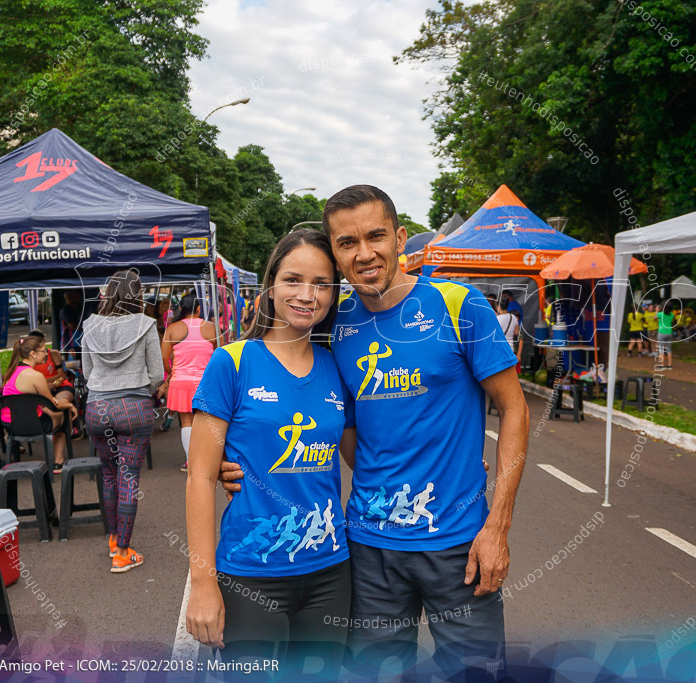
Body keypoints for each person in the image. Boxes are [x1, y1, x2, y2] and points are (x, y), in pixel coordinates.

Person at [221, 185, 528, 680]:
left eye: (376, 236)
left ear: (400, 238)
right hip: (368, 546)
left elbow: (515, 409)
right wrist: (231, 458)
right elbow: (305, 400)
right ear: (335, 254)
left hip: (459, 542)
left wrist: (498, 525)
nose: (364, 253)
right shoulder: (332, 321)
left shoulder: (459, 306)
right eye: (346, 243)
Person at [185, 230, 352, 679]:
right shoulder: (232, 363)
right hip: (250, 572)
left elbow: (368, 455)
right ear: (271, 285)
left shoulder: (339, 367)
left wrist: (449, 466)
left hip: (331, 571)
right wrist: (202, 582)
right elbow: (200, 477)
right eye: (293, 280)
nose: (306, 295)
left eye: (321, 283)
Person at [82, 269, 164, 573]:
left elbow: (87, 373)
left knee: (108, 474)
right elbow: (157, 373)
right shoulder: (146, 325)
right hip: (134, 407)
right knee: (128, 475)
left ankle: (113, 538)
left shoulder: (89, 325)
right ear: (137, 295)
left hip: (97, 407)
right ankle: (123, 552)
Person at [1, 336, 78, 473]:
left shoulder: (10, 372)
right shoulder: (35, 376)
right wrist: (70, 406)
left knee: (49, 411)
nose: (46, 353)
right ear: (33, 354)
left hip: (10, 424)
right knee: (62, 414)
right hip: (33, 424)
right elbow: (55, 404)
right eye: (43, 351)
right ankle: (58, 462)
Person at [160, 294, 218, 472]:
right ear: (199, 308)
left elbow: (164, 357)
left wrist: (170, 373)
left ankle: (190, 462)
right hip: (206, 383)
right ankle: (208, 461)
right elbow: (220, 355)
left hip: (181, 382)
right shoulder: (211, 328)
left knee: (186, 423)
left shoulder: (172, 328)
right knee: (208, 423)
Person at [656, 302, 675, 370]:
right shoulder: (672, 314)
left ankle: (662, 365)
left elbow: (655, 317)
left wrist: (657, 311)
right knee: (669, 349)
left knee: (661, 349)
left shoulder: (660, 314)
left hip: (661, 332)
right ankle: (669, 365)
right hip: (669, 332)